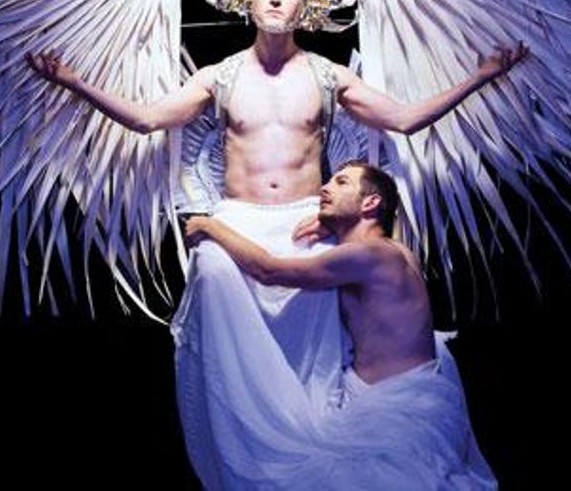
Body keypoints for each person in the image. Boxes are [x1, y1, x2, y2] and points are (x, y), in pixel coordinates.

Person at [25, 0, 525, 488]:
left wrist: (482, 77)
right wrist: (73, 82)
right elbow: (146, 120)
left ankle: (314, 456)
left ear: (305, 3)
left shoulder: (328, 76)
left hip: (303, 222)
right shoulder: (219, 76)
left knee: (313, 354)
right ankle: (242, 459)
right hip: (238, 218)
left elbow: (404, 120)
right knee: (212, 276)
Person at [183, 160, 496, 488]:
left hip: (394, 411)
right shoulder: (396, 252)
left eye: (341, 182)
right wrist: (333, 226)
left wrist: (210, 226)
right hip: (404, 397)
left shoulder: (369, 256)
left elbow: (269, 271)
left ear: (370, 202)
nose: (325, 187)